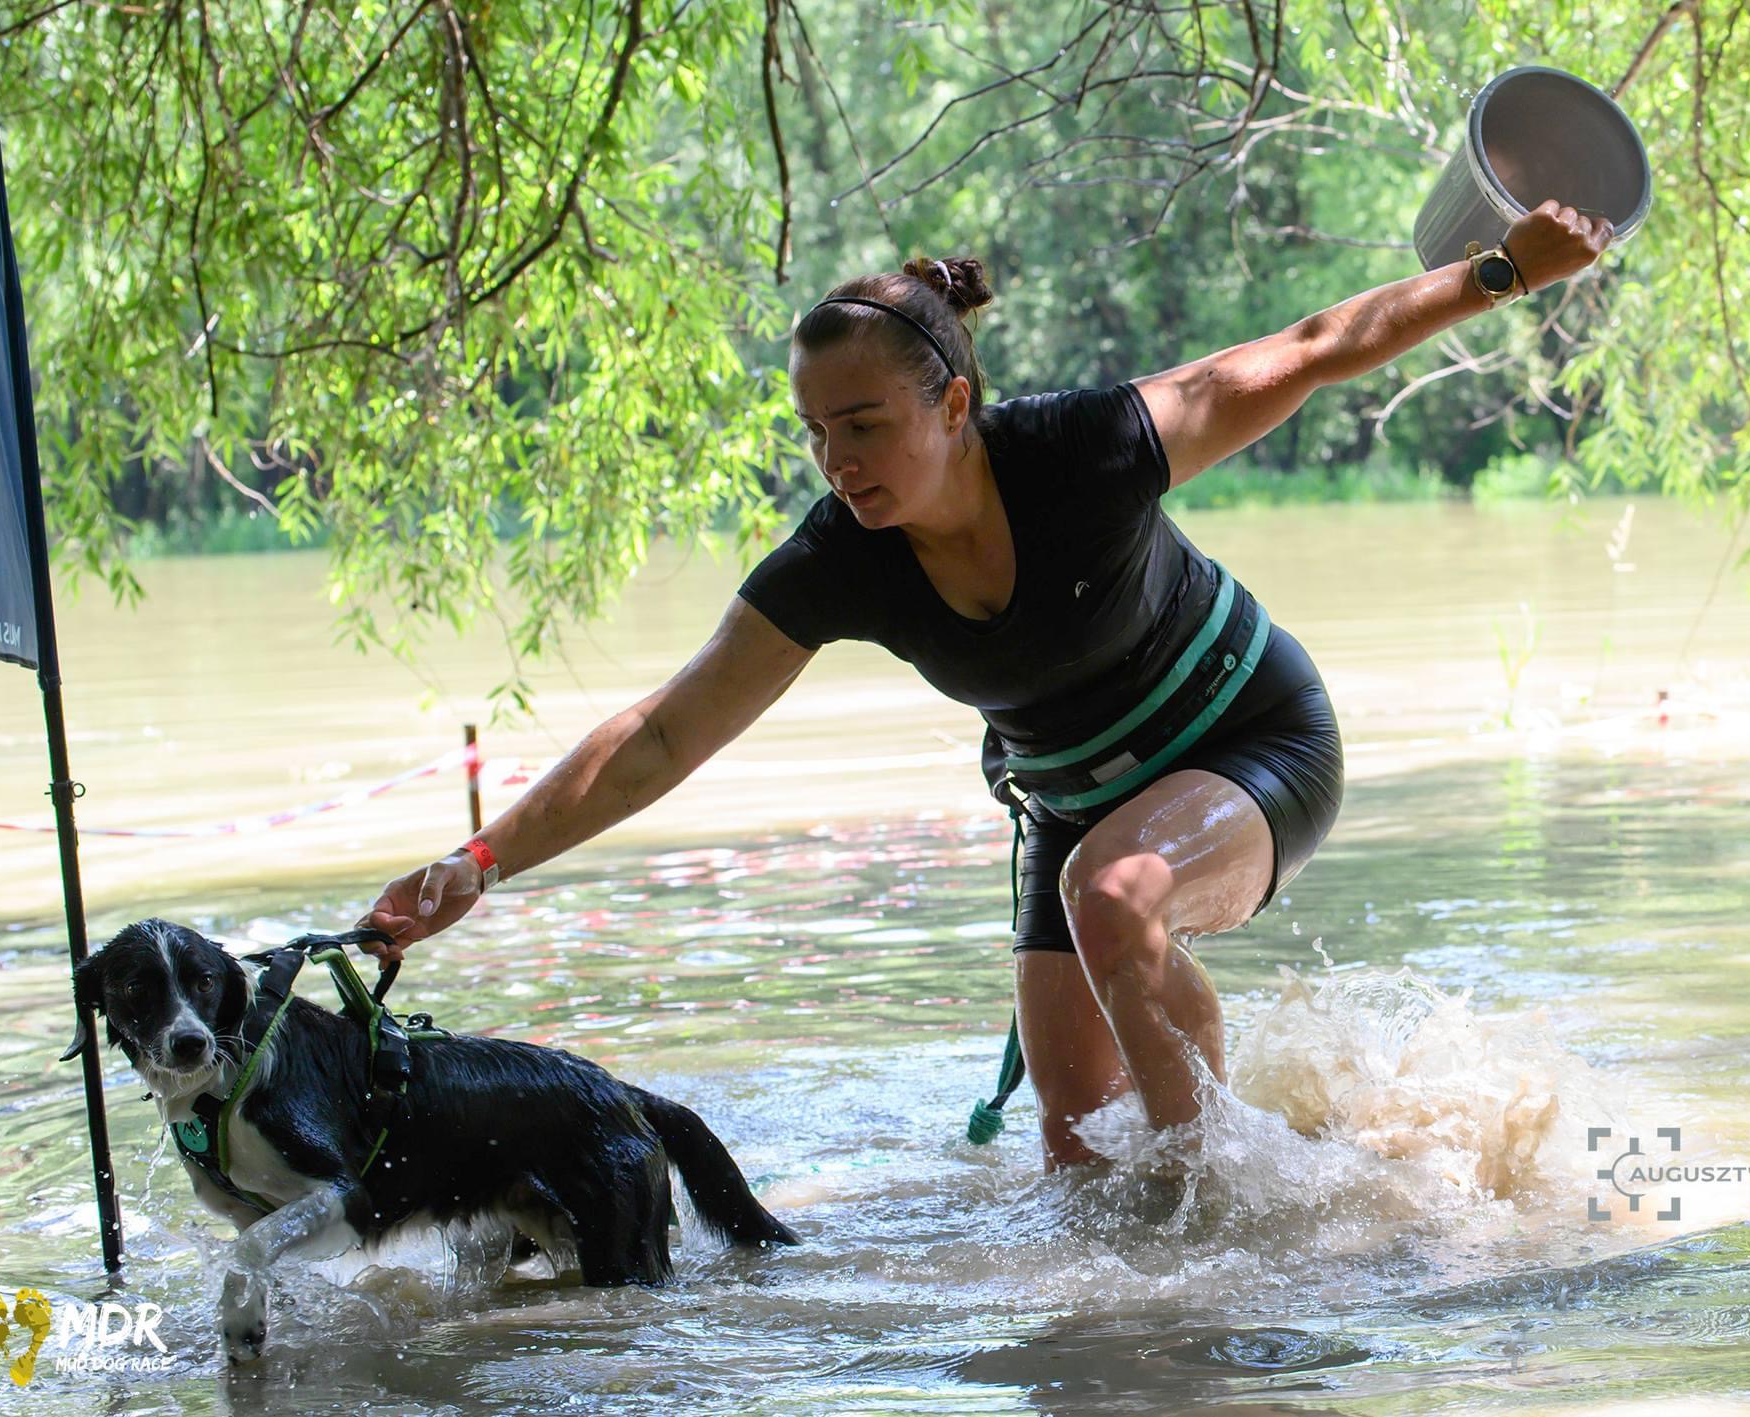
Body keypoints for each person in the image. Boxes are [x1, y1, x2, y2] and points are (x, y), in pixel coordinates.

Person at [361, 200, 1615, 1170]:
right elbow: (661, 734)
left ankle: (1236, 1213)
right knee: (1074, 1160)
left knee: (1113, 899)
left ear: (952, 402)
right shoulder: (836, 559)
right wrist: (476, 864)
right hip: (1070, 800)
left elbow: (1308, 349)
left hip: (1252, 737)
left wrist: (1499, 269)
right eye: (813, 430)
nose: (835, 459)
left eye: (862, 424)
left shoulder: (1086, 450)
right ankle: (1259, 1188)